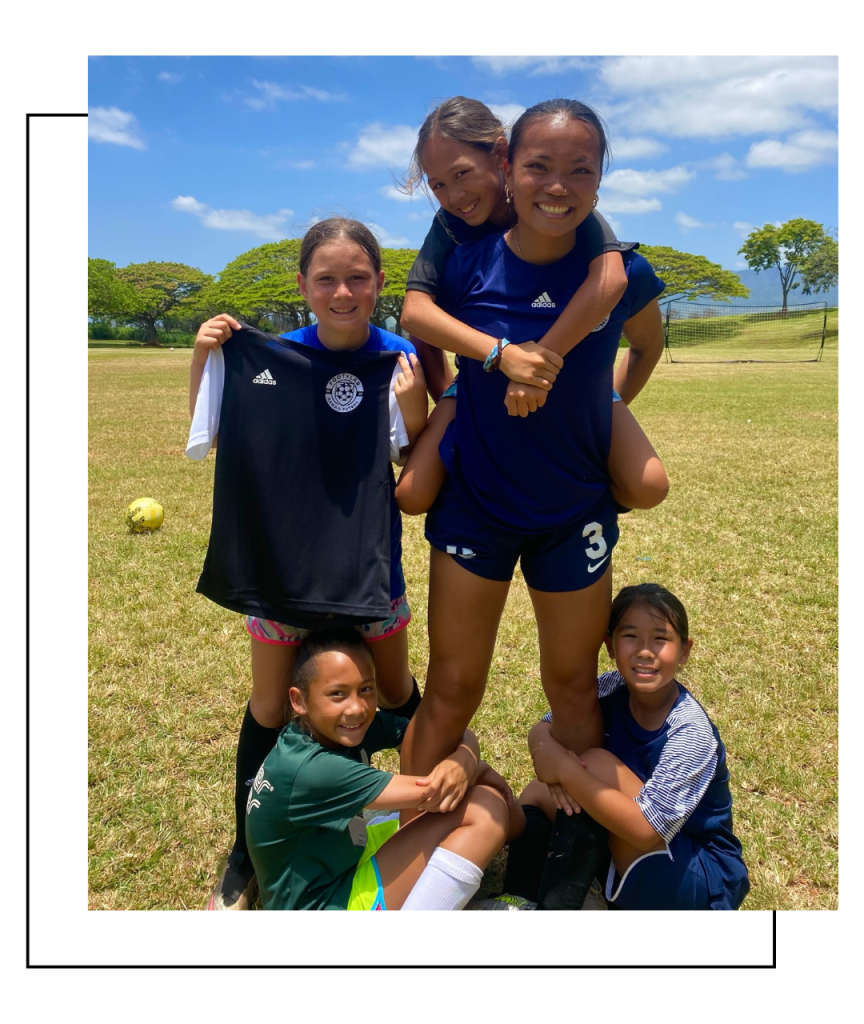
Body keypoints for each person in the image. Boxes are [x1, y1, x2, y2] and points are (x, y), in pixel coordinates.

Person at [400, 99, 668, 800]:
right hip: (476, 507)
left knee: (574, 683)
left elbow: (648, 344)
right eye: (540, 166)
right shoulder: (463, 260)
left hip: (573, 512)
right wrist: (464, 384)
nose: (558, 185)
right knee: (452, 687)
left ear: (600, 178)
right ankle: (399, 836)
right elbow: (418, 321)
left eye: (581, 170)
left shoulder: (618, 268)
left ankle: (575, 841)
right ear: (510, 167)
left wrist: (605, 403)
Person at [186, 219, 430, 911]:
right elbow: (211, 438)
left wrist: (414, 411)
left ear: (380, 283)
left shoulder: (400, 358)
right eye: (326, 279)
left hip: (368, 569)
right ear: (303, 285)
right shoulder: (268, 356)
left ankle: (421, 817)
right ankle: (245, 854)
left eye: (357, 278)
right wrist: (203, 359)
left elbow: (416, 469)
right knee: (271, 706)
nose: (342, 292)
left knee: (394, 692)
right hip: (281, 571)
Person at [399, 95, 668, 513]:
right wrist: (484, 370)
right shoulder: (450, 227)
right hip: (485, 373)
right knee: (411, 496)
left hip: (559, 376)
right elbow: (417, 314)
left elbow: (611, 280)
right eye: (438, 185)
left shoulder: (565, 205)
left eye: (462, 174)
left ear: (501, 156)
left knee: (649, 486)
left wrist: (542, 371)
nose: (454, 195)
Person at [246, 629, 523, 912]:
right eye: (337, 694)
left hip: (347, 859)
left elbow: (438, 735)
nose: (356, 708)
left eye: (366, 689)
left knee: (503, 813)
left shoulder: (329, 729)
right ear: (299, 701)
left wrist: (465, 759)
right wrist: (470, 765)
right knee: (484, 811)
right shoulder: (312, 769)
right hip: (328, 902)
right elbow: (434, 791)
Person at [518, 583, 750, 912]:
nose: (644, 651)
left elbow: (646, 831)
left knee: (596, 765)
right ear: (610, 645)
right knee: (537, 793)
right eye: (630, 636)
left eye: (660, 638)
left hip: (696, 876)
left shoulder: (690, 731)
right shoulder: (610, 687)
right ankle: (517, 896)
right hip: (637, 852)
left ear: (685, 651)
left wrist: (565, 769)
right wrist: (544, 751)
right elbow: (543, 727)